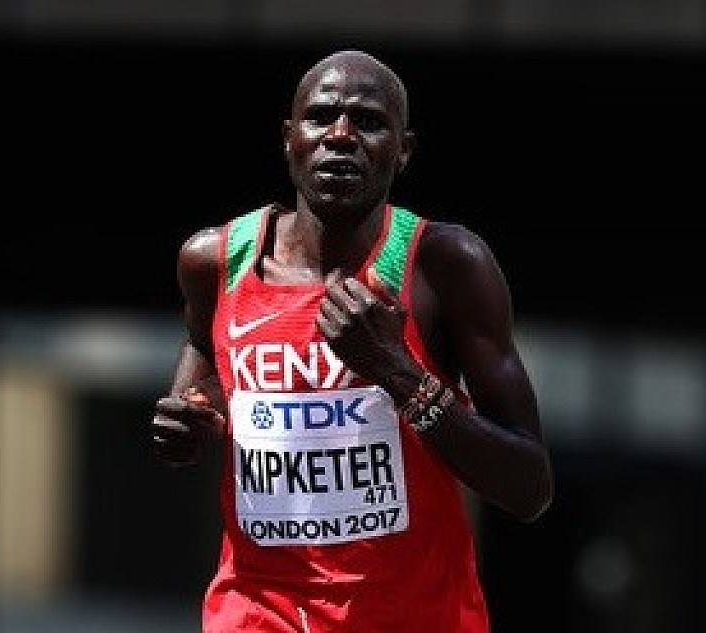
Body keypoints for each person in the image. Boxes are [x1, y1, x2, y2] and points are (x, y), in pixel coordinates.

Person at [150, 48, 553, 632]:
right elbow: (206, 373)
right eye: (320, 117)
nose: (340, 136)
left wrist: (397, 372)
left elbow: (528, 487)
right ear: (289, 139)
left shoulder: (444, 266)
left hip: (415, 618)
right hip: (259, 612)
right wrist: (186, 426)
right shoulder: (214, 263)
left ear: (404, 151)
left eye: (367, 122)